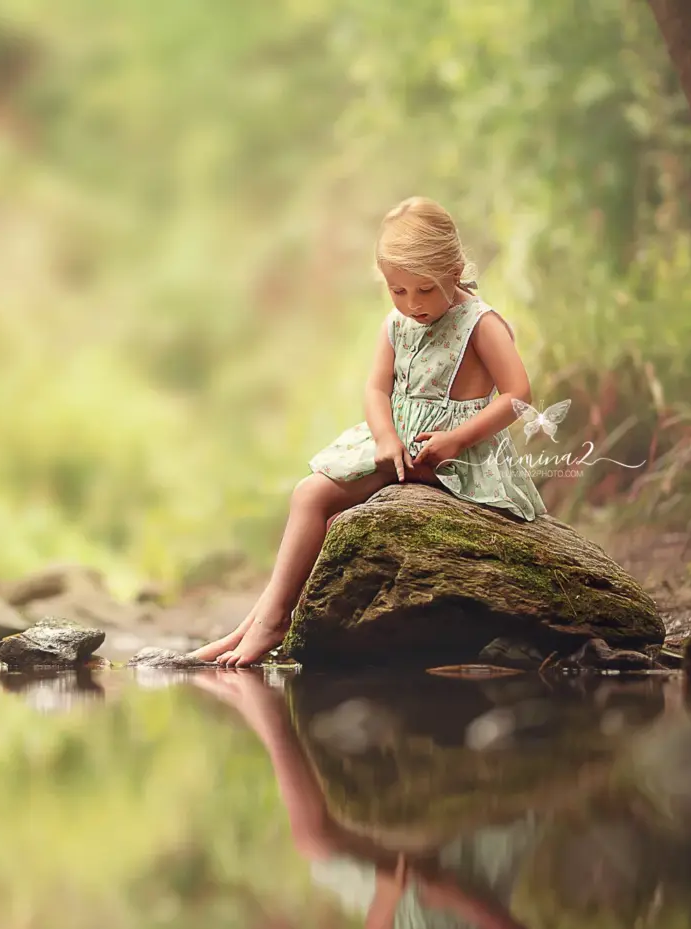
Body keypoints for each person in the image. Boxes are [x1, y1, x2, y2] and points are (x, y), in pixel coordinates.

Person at [194, 197, 547, 667]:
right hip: (398, 449)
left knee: (334, 516)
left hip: (457, 459)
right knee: (309, 496)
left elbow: (518, 394)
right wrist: (384, 439)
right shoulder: (396, 324)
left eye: (425, 290)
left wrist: (458, 438)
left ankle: (267, 622)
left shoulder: (479, 324)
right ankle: (257, 624)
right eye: (398, 291)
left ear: (455, 270)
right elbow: (376, 390)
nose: (413, 305)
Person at [193, 669, 537, 929]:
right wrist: (460, 897)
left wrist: (388, 895)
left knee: (314, 839)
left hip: (397, 895)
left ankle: (271, 715)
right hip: (472, 869)